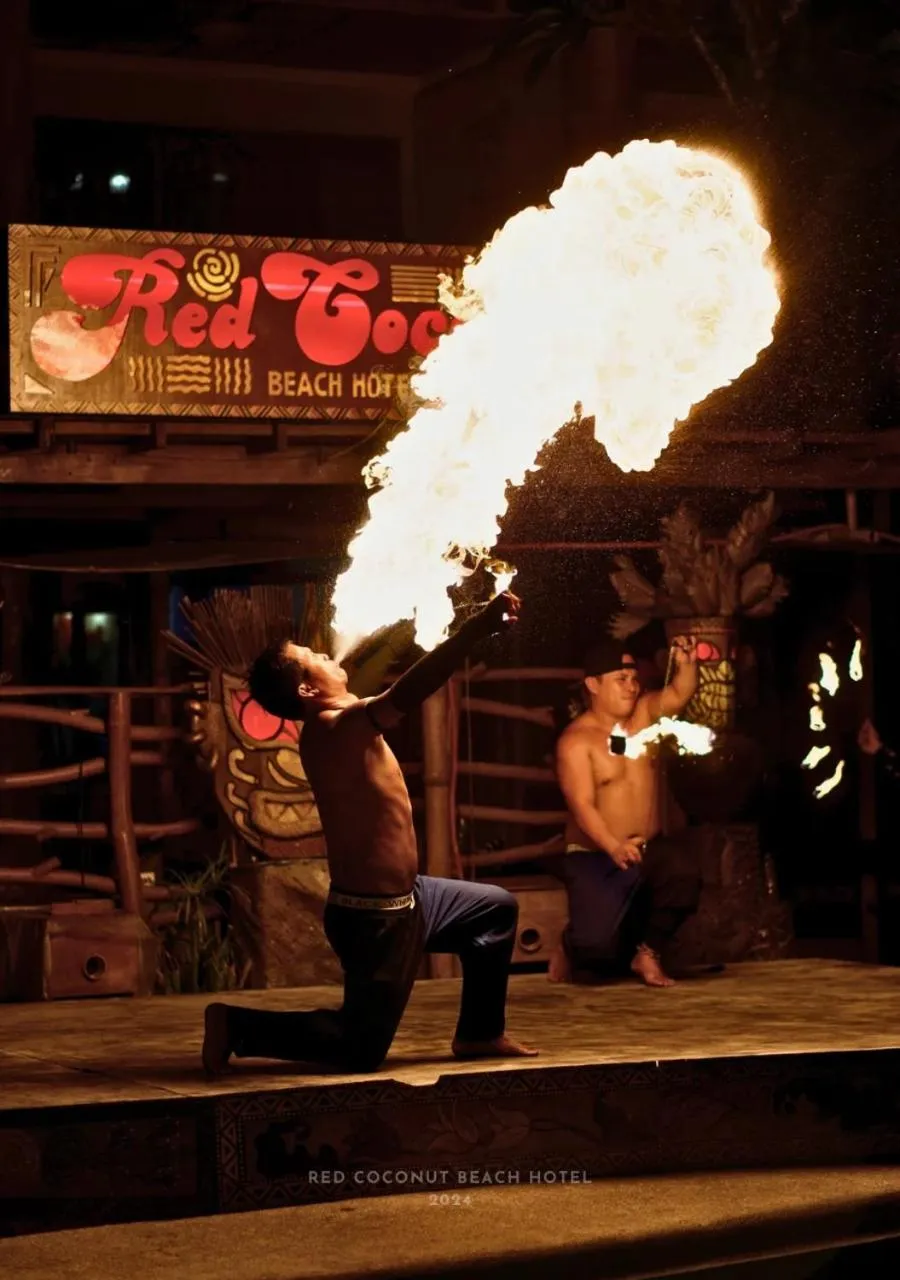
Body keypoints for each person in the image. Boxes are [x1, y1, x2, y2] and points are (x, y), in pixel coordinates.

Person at [202, 591, 537, 1076]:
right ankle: (237, 1026)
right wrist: (474, 631)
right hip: (374, 919)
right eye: (309, 658)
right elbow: (409, 692)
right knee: (359, 1049)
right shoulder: (335, 725)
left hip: (414, 898)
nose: (322, 653)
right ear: (307, 692)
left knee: (493, 910)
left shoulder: (341, 719)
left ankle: (480, 1033)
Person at [550, 635, 702, 988]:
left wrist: (687, 662)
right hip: (595, 855)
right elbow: (582, 806)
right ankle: (571, 944)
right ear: (593, 685)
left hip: (646, 847)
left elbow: (680, 693)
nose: (631, 687)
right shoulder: (576, 741)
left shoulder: (646, 716)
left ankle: (648, 952)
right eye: (621, 679)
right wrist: (613, 846)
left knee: (684, 875)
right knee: (596, 957)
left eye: (634, 679)